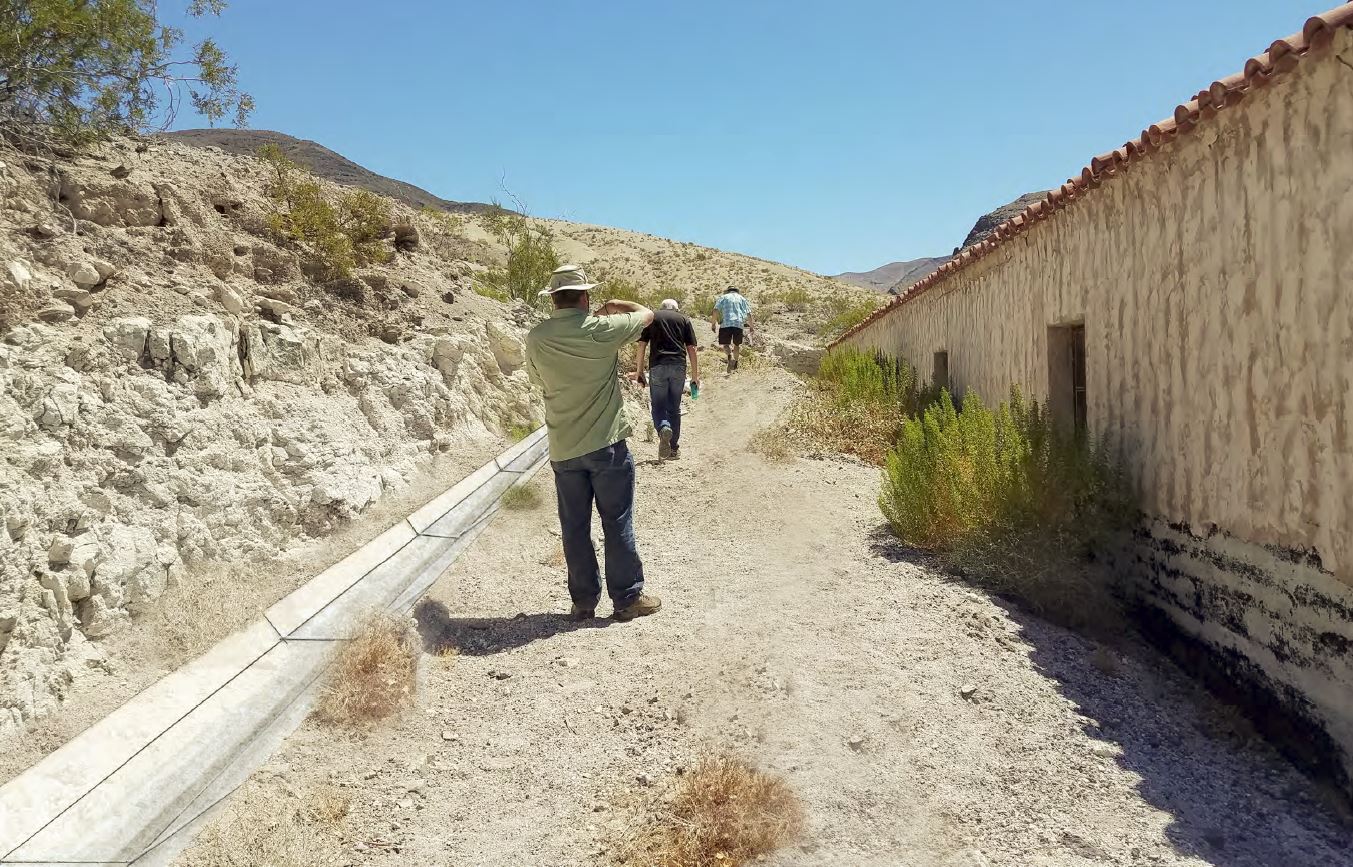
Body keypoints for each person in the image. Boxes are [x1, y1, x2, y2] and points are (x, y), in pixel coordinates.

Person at [525, 264, 662, 623]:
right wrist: (617, 303)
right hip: (606, 444)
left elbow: (537, 379)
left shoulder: (537, 338)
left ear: (553, 300)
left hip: (563, 445)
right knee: (616, 521)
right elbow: (648, 315)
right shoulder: (603, 330)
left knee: (573, 526)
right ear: (585, 296)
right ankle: (626, 599)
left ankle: (583, 602)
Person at [634, 299, 699, 461]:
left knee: (658, 407)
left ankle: (663, 427)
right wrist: (695, 376)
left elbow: (641, 345)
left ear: (661, 307)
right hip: (678, 367)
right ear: (676, 309)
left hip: (657, 366)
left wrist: (639, 371)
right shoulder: (683, 320)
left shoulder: (652, 317)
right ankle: (673, 450)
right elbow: (691, 348)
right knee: (674, 408)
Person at [710, 285, 752, 371]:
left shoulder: (723, 297)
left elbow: (715, 310)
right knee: (737, 345)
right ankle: (736, 363)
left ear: (728, 291)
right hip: (738, 324)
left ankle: (730, 356)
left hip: (726, 324)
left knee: (725, 344)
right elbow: (749, 314)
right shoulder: (742, 298)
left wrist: (713, 324)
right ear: (737, 291)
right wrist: (751, 326)